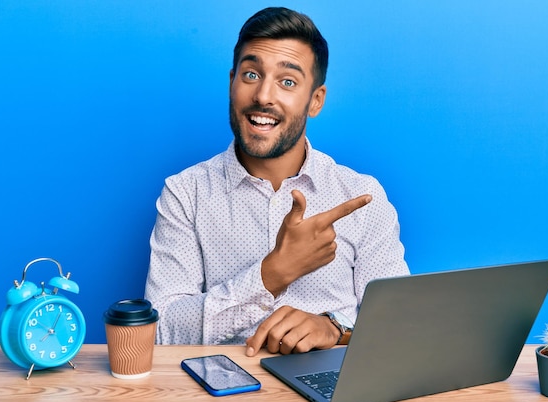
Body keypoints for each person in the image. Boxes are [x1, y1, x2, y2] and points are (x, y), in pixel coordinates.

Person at [144, 7, 409, 357]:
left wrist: (335, 327)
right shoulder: (186, 193)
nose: (263, 96)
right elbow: (160, 332)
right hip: (223, 398)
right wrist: (272, 275)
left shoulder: (361, 195)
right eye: (251, 74)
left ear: (315, 101)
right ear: (232, 82)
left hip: (336, 400)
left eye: (287, 82)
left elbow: (400, 324)